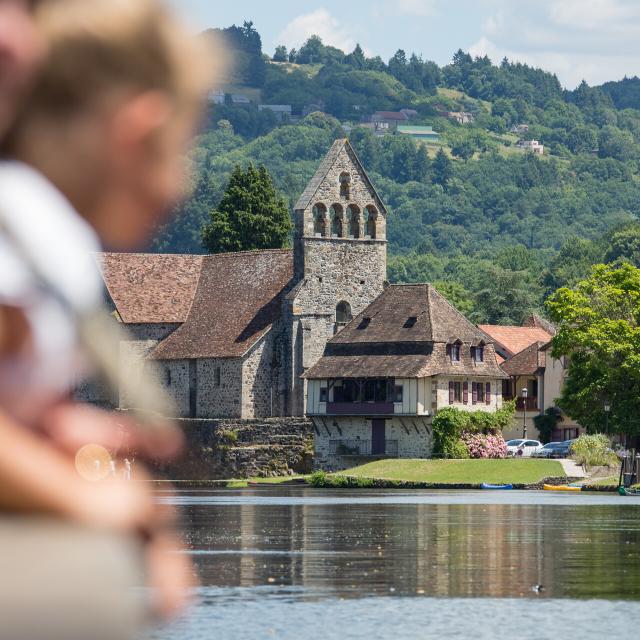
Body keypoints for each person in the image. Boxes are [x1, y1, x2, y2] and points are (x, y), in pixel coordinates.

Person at [0, 0, 219, 627]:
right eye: (182, 150)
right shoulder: (31, 227)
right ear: (139, 131)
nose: (177, 187)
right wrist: (88, 502)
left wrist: (54, 434)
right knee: (88, 589)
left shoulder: (41, 231)